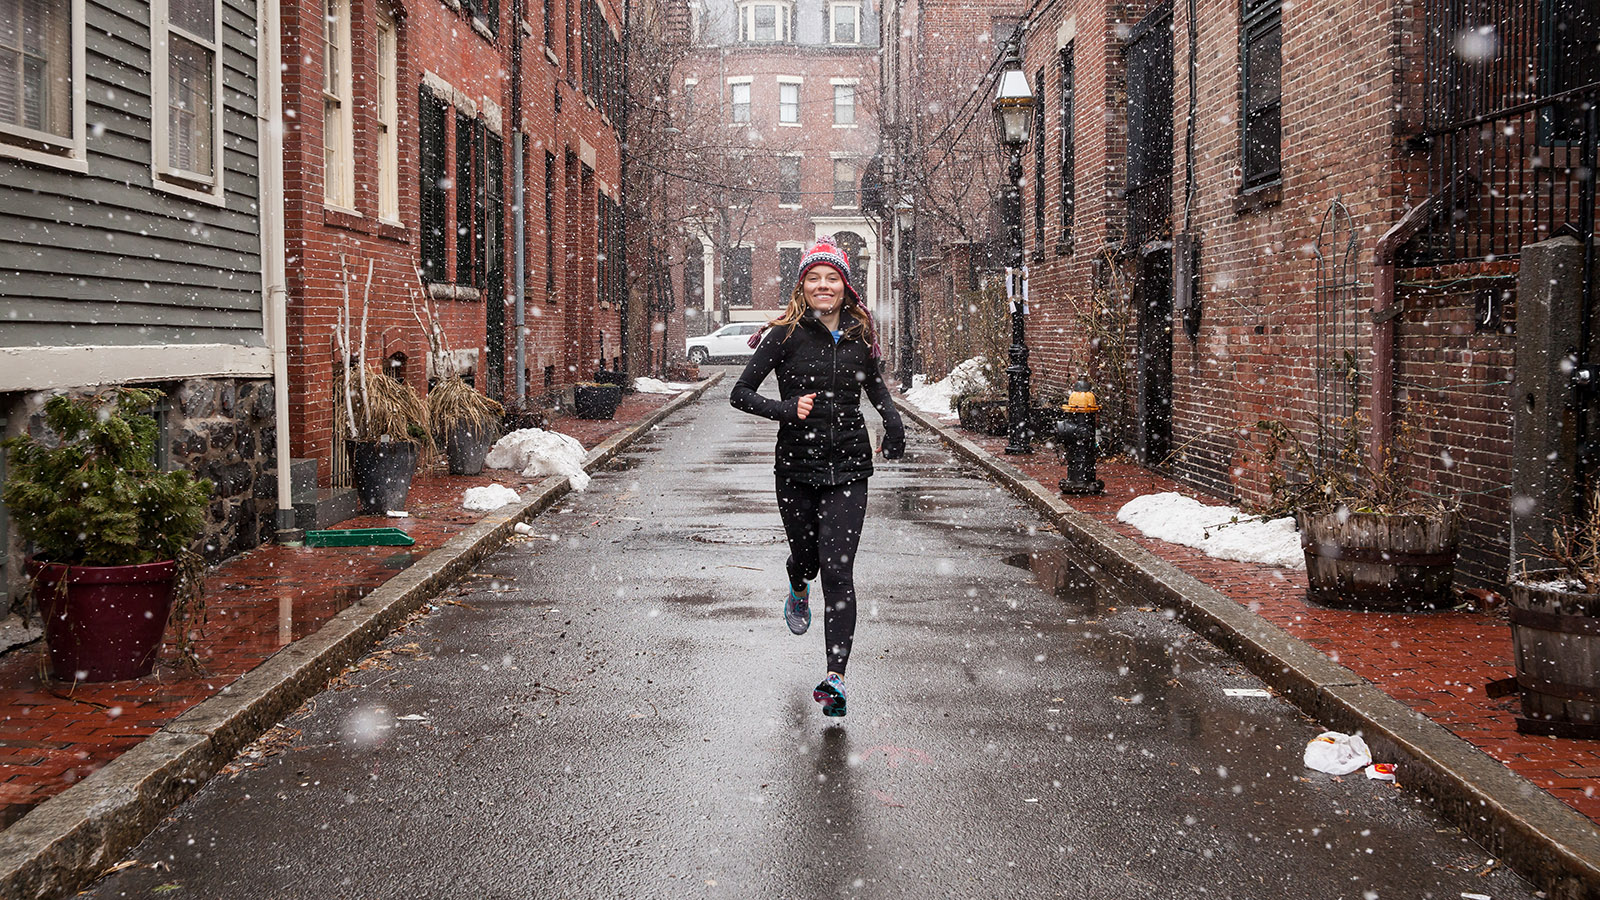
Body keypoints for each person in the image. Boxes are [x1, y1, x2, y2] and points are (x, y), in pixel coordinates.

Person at [730, 236, 906, 718]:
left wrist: (893, 424)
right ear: (803, 286)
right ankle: (796, 581)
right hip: (795, 469)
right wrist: (787, 409)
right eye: (815, 278)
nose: (823, 286)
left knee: (839, 571)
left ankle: (835, 677)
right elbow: (741, 393)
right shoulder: (783, 336)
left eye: (832, 278)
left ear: (845, 285)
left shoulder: (860, 335)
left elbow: (876, 389)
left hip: (849, 466)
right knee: (807, 562)